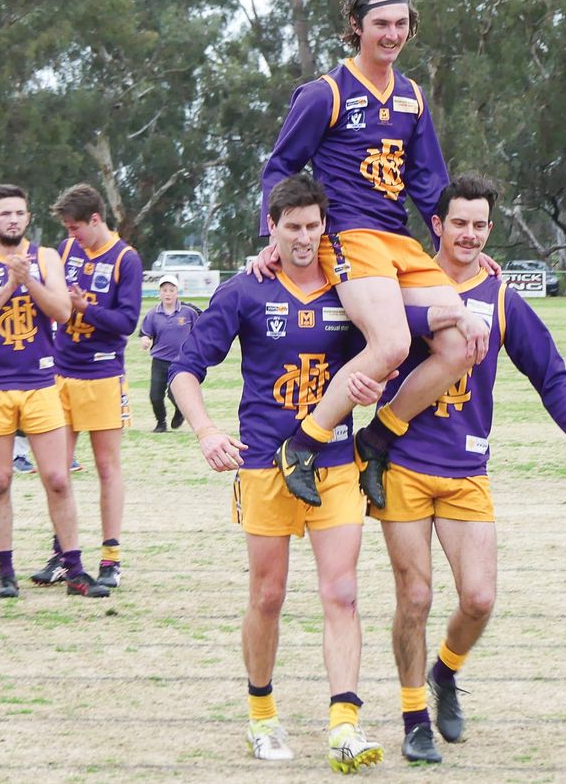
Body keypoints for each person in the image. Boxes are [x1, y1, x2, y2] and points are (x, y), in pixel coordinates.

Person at [364, 174, 566, 764]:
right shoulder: (401, 285)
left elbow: (549, 371)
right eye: (459, 223)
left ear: (489, 230)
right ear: (437, 225)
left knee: (478, 599)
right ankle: (414, 719)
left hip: (466, 469)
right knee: (414, 597)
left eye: (479, 225)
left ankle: (445, 672)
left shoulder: (500, 297)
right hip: (402, 463)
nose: (468, 234)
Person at [169, 174, 386, 773]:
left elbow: (387, 350)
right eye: (292, 227)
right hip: (265, 464)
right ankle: (262, 716)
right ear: (272, 227)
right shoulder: (245, 290)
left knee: (341, 592)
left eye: (313, 226)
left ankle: (345, 725)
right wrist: (207, 432)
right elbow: (184, 371)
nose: (303, 238)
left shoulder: (351, 287)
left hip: (333, 463)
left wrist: (375, 384)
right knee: (267, 596)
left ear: (325, 226)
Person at [253, 0, 490, 509]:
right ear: (356, 26)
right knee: (391, 345)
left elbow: (430, 183)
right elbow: (281, 166)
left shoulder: (412, 97)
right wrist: (274, 235)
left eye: (401, 24)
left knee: (464, 343)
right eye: (381, 23)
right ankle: (303, 444)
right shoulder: (326, 93)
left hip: (398, 241)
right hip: (349, 237)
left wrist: (462, 241)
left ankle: (377, 438)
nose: (392, 34)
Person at [0, 183, 107, 599]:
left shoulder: (46, 258)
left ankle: (74, 569)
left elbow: (62, 311)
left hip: (41, 383)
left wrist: (29, 281)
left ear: (28, 218)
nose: (13, 220)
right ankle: (6, 571)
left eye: (19, 213)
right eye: (5, 214)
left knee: (57, 478)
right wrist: (9, 285)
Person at [30, 184, 142, 591]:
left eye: (75, 227)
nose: (71, 235)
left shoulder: (125, 259)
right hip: (60, 374)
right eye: (67, 229)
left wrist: (86, 309)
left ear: (96, 220)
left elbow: (127, 322)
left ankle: (111, 557)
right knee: (57, 473)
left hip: (103, 375)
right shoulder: (65, 251)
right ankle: (63, 553)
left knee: (107, 467)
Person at [140, 274, 200, 432]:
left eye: (171, 290)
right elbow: (145, 333)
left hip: (181, 361)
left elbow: (199, 330)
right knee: (155, 395)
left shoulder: (188, 312)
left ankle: (180, 411)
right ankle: (161, 423)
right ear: (159, 293)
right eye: (164, 290)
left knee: (176, 393)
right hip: (159, 360)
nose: (168, 293)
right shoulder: (153, 314)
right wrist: (145, 340)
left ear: (177, 292)